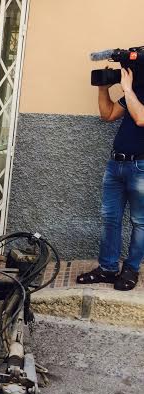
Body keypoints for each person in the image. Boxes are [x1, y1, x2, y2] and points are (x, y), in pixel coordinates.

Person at [77, 68, 144, 291]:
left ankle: (131, 269)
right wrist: (103, 88)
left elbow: (141, 118)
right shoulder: (136, 91)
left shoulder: (132, 91)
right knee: (110, 219)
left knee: (140, 223)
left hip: (141, 167)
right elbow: (107, 115)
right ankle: (107, 268)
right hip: (115, 165)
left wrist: (127, 88)